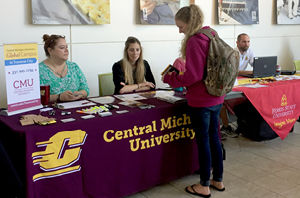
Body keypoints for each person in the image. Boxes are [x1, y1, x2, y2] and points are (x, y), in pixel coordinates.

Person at [162, 5, 225, 197]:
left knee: (203, 141)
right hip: (217, 96)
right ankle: (218, 180)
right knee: (215, 138)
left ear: (189, 23)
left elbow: (194, 76)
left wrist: (171, 78)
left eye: (180, 26)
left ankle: (204, 184)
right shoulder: (211, 33)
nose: (179, 30)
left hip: (201, 100)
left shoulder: (195, 41)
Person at [39, 34, 89, 102]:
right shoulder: (39, 70)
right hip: (51, 110)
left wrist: (81, 94)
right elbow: (36, 98)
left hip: (76, 108)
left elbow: (85, 89)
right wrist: (58, 97)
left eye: (67, 47)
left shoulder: (73, 66)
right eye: (62, 48)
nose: (66, 51)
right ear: (50, 50)